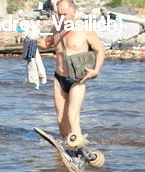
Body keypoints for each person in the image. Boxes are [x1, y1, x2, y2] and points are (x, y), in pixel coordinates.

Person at [36, 0, 105, 140]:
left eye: (65, 14)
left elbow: (100, 49)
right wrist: (31, 40)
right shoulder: (57, 29)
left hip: (78, 78)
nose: (62, 18)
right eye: (59, 14)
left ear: (74, 11)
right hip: (59, 78)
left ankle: (79, 150)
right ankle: (67, 147)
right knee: (61, 120)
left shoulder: (84, 29)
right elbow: (46, 43)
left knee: (72, 116)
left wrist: (96, 70)